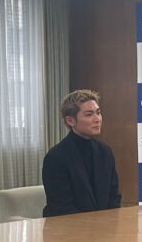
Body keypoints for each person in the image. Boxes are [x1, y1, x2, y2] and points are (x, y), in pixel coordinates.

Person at [42, 89, 121, 217]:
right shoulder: (56, 157)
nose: (97, 119)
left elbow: (114, 197)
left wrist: (108, 221)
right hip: (67, 225)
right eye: (89, 114)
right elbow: (61, 206)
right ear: (70, 121)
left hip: (104, 224)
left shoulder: (105, 151)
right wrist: (94, 225)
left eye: (98, 113)